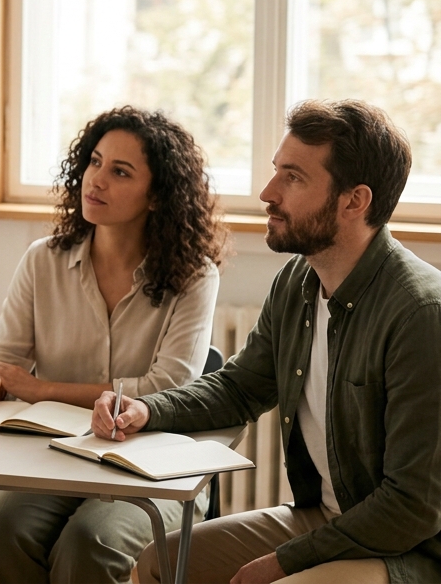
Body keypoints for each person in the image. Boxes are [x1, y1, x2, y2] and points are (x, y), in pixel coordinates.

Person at [95, 100, 441, 584]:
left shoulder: (421, 314)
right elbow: (239, 387)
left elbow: (411, 509)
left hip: (409, 549)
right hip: (326, 519)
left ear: (354, 201)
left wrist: (285, 561)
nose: (267, 192)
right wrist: (147, 408)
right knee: (158, 564)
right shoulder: (297, 281)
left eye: (293, 178)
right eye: (276, 171)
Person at [0, 106, 225, 584]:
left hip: (153, 461)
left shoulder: (195, 276)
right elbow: (1, 360)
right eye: (95, 162)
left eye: (120, 171)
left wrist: (41, 389)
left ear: (156, 197)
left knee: (90, 543)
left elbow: (166, 388)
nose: (96, 180)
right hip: (55, 452)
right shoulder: (42, 260)